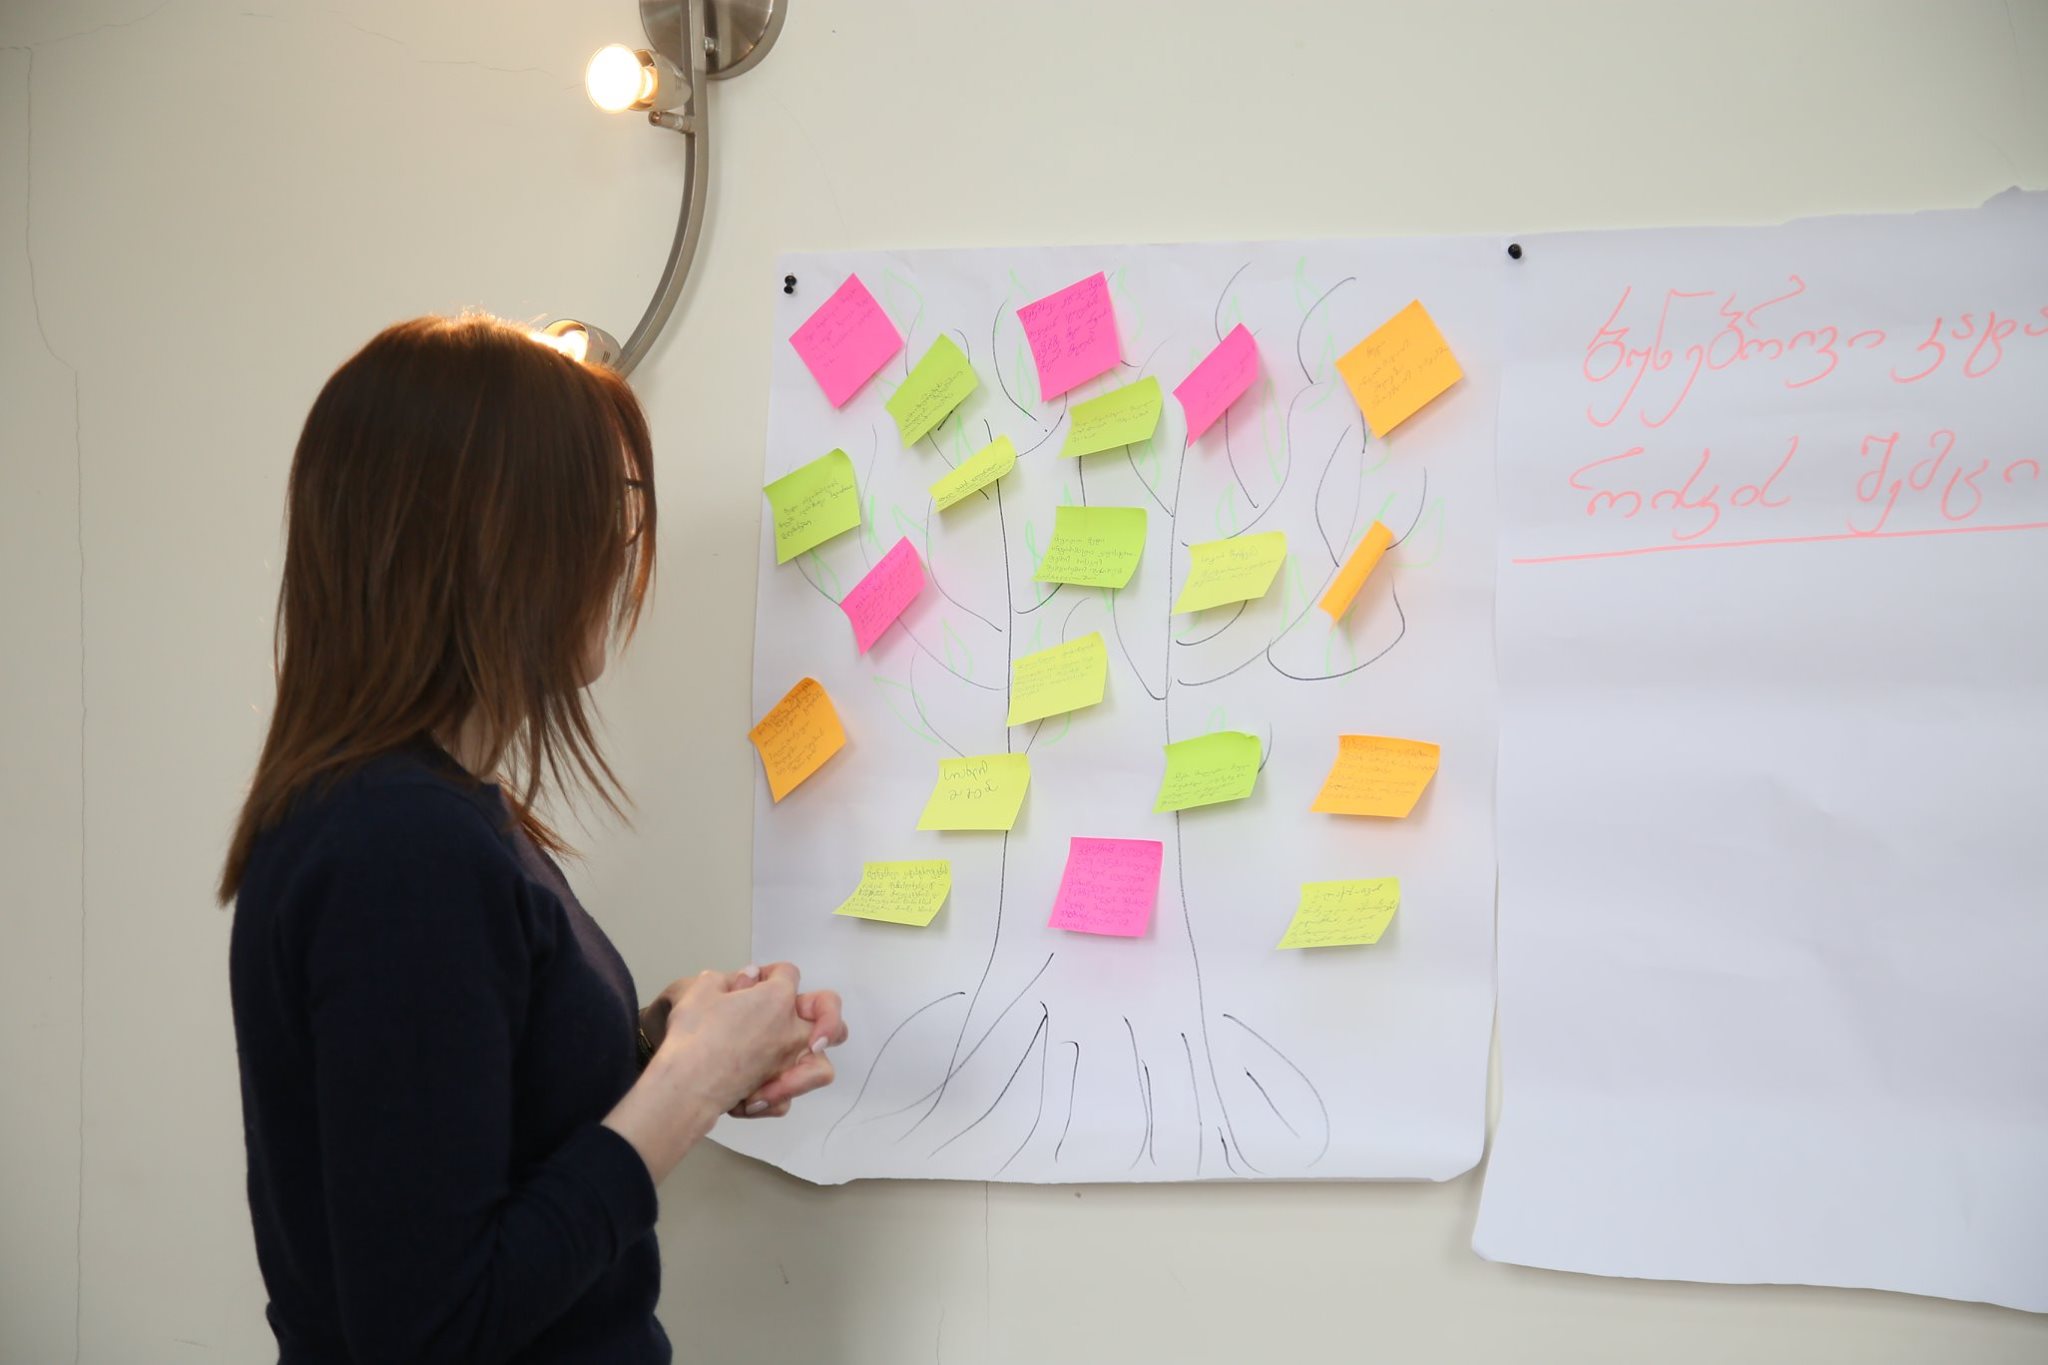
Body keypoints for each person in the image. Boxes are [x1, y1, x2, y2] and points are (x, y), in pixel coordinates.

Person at [219, 314, 843, 1363]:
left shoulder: (424, 815)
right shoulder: (397, 846)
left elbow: (474, 1120)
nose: (617, 555)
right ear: (484, 539)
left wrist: (670, 1044)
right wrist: (686, 1086)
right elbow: (434, 1329)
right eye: (597, 512)